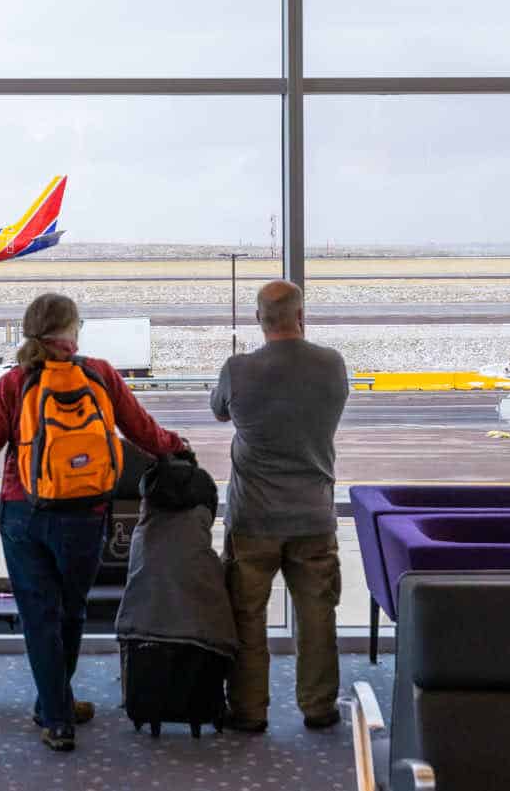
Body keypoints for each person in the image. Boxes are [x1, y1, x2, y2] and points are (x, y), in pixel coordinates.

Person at [0, 292, 187, 752]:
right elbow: (142, 431)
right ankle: (57, 703)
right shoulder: (101, 374)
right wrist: (177, 445)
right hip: (86, 516)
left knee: (39, 618)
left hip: (23, 515)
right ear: (73, 329)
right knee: (70, 613)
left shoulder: (16, 382)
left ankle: (56, 715)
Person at [210, 280, 349, 732]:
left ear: (258, 320)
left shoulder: (238, 369)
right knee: (317, 616)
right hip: (313, 516)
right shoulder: (332, 365)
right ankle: (319, 706)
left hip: (253, 518)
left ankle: (249, 710)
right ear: (301, 316)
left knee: (247, 618)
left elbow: (219, 411)